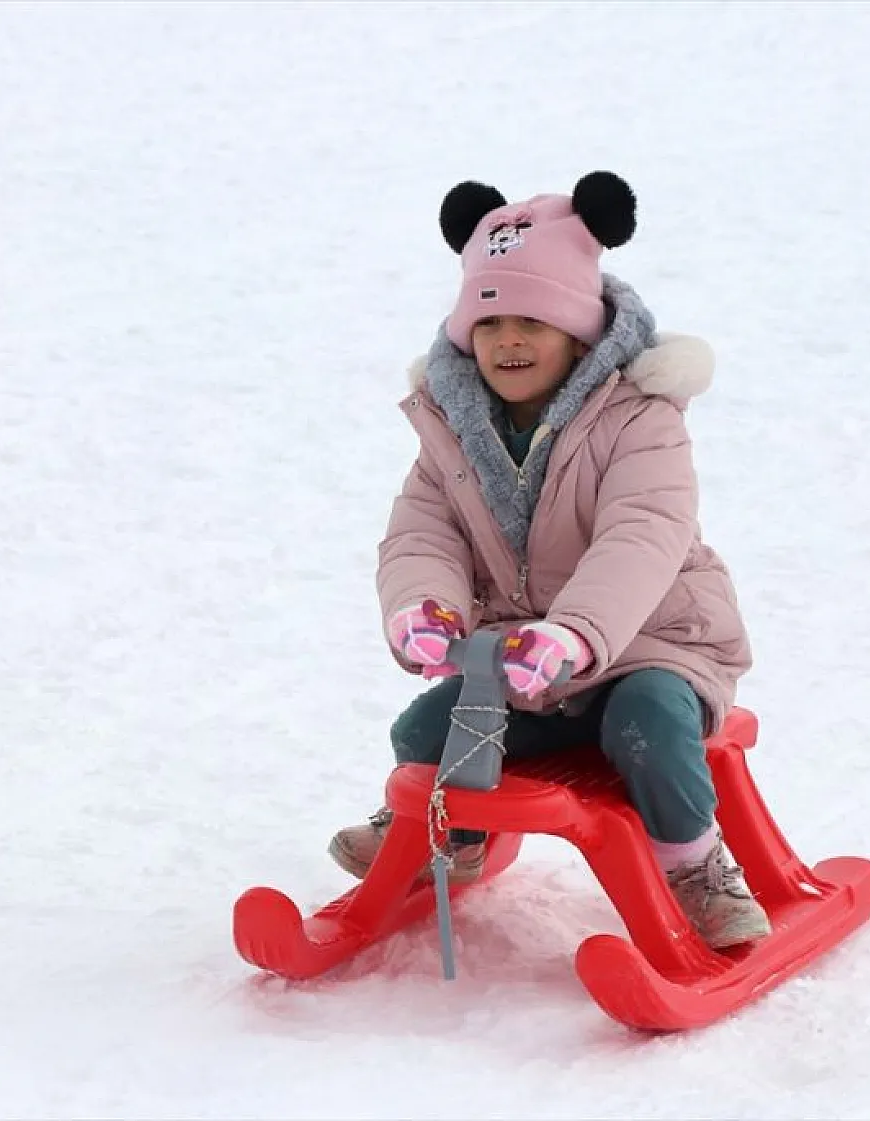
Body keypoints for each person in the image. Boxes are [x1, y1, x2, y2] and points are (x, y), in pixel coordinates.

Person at [328, 172, 769, 948]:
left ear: (580, 333)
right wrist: (424, 608)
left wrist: (575, 633)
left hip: (649, 643)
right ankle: (453, 833)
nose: (510, 341)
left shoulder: (639, 419)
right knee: (424, 732)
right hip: (524, 661)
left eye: (534, 320)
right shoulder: (456, 427)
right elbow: (424, 531)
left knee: (648, 723)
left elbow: (642, 537)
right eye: (490, 323)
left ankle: (695, 864)